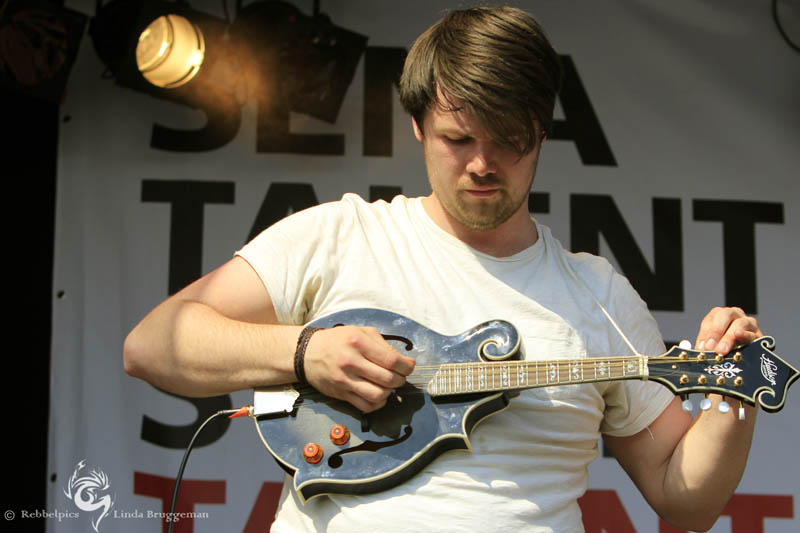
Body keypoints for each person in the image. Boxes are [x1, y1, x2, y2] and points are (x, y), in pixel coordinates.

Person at [124, 6, 763, 532]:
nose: (482, 164)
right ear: (418, 127)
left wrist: (734, 396)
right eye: (458, 139)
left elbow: (686, 502)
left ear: (541, 134)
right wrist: (304, 352)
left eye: (507, 138)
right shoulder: (342, 235)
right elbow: (152, 343)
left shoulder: (599, 296)